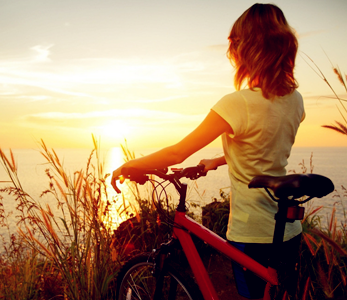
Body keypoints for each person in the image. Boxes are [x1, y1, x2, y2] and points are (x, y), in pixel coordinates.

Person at [111, 3, 304, 300]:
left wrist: (130, 164)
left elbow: (177, 153)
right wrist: (216, 160)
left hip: (252, 233)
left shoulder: (236, 103)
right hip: (288, 230)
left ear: (249, 48)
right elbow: (264, 147)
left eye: (237, 44)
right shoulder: (295, 100)